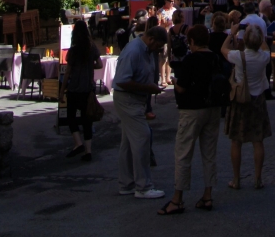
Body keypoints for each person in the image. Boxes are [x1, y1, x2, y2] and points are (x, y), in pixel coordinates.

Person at [157, 25, 225, 215]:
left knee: (183, 153)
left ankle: (177, 199)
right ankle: (207, 195)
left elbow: (181, 88)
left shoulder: (191, 59)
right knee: (209, 154)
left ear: (192, 42)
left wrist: (176, 82)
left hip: (192, 109)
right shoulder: (216, 58)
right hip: (213, 107)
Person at [112, 24, 167, 198]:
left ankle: (127, 183)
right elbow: (122, 80)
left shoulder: (145, 50)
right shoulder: (134, 51)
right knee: (142, 137)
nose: (157, 50)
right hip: (128, 99)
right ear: (151, 40)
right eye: (157, 46)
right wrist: (147, 87)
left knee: (129, 141)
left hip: (135, 98)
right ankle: (143, 186)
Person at [222, 24, 271, 189]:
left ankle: (236, 179)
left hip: (240, 100)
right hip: (258, 99)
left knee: (236, 141)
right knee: (258, 141)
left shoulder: (238, 56)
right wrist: (260, 35)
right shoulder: (264, 57)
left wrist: (232, 33)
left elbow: (223, 49)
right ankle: (258, 178)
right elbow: (266, 47)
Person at [61, 19, 102, 161]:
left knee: (71, 117)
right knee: (87, 120)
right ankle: (88, 151)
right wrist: (90, 66)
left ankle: (78, 143)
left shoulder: (72, 51)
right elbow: (100, 64)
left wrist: (62, 90)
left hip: (74, 88)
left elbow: (67, 72)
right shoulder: (92, 48)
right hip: (87, 88)